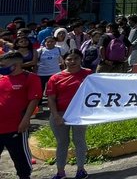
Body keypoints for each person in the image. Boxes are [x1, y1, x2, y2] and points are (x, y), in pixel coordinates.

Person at [46, 49, 92, 179]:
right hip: (60, 114)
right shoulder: (55, 78)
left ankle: (81, 170)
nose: (72, 62)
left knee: (79, 140)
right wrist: (56, 116)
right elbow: (51, 98)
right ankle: (60, 172)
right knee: (62, 142)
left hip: (80, 114)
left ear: (81, 59)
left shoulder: (88, 74)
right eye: (69, 59)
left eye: (76, 59)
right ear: (64, 60)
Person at [0, 51, 41, 179]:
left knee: (20, 157)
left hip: (16, 126)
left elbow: (34, 99)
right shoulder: (1, 78)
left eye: (3, 65)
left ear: (16, 65)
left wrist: (26, 119)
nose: (1, 67)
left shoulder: (30, 78)